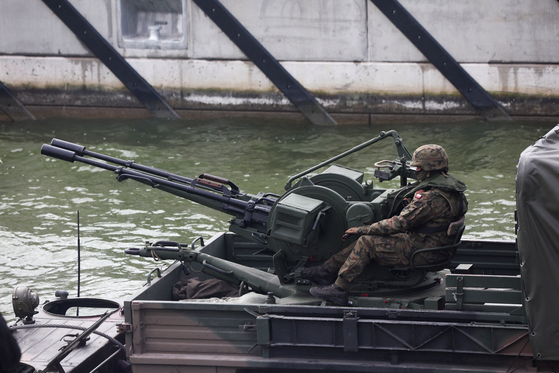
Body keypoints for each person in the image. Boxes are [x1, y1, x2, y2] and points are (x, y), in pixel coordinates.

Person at [302, 144, 468, 305]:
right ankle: (326, 270)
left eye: (417, 168)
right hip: (433, 245)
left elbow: (398, 224)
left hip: (423, 251)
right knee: (371, 236)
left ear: (428, 169)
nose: (415, 172)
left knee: (366, 241)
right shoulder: (452, 189)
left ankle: (339, 289)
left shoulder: (430, 199)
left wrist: (361, 229)